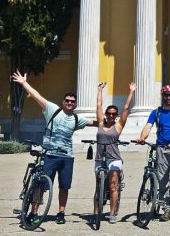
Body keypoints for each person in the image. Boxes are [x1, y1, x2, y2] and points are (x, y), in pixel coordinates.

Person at [11, 71, 97, 225]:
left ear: (75, 104)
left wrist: (113, 120)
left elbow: (96, 122)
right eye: (67, 100)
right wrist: (24, 83)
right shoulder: (52, 110)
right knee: (41, 185)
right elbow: (37, 96)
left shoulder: (77, 118)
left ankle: (61, 213)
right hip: (49, 154)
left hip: (67, 157)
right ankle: (34, 212)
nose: (70, 103)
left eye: (72, 101)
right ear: (63, 102)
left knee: (64, 187)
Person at [135, 84, 170, 222]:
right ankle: (166, 209)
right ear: (163, 96)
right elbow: (148, 126)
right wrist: (142, 137)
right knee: (163, 180)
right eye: (166, 95)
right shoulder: (156, 112)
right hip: (161, 148)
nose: (168, 97)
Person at [94, 81, 135, 224]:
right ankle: (96, 213)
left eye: (113, 114)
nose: (111, 116)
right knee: (98, 186)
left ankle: (112, 213)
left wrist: (131, 92)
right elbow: (99, 105)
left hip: (114, 158)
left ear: (116, 116)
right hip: (100, 157)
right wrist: (100, 90)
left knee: (112, 186)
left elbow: (126, 108)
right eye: (109, 114)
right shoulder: (100, 123)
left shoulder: (118, 126)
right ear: (106, 114)